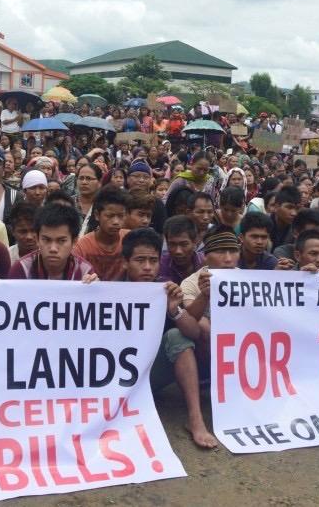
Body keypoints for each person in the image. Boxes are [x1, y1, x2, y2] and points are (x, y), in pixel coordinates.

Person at [120, 228, 217, 448]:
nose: (147, 267)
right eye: (140, 260)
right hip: (115, 377)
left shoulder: (165, 288)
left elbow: (194, 333)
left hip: (151, 375)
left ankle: (195, 419)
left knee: (177, 336)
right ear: (125, 262)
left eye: (153, 260)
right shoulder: (108, 287)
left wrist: (175, 310)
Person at [8, 203, 97, 281]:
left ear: (74, 241)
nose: (53, 249)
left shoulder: (84, 271)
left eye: (61, 241)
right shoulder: (22, 269)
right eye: (46, 240)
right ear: (38, 239)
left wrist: (93, 288)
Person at [73, 186, 129, 281]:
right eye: (110, 216)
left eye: (120, 216)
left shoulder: (130, 240)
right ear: (97, 215)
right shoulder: (82, 247)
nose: (116, 221)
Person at [159, 215, 204, 285]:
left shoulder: (206, 263)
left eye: (184, 244)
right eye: (172, 244)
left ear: (195, 242)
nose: (178, 251)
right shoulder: (160, 265)